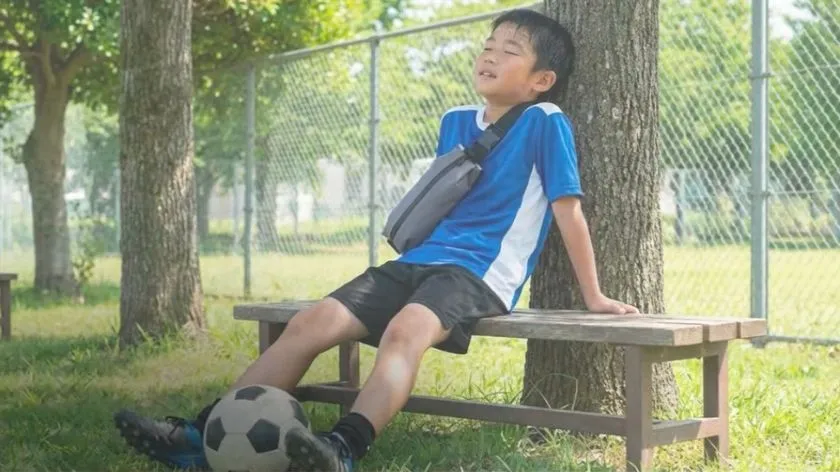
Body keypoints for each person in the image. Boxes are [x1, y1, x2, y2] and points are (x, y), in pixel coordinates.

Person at [113, 8, 639, 472]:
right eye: (488, 45)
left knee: (406, 331)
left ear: (541, 79)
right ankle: (200, 434)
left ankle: (342, 448)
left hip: (481, 271)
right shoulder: (456, 121)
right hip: (420, 259)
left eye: (510, 50)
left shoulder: (546, 121)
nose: (490, 55)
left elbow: (568, 211)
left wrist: (593, 296)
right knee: (311, 323)